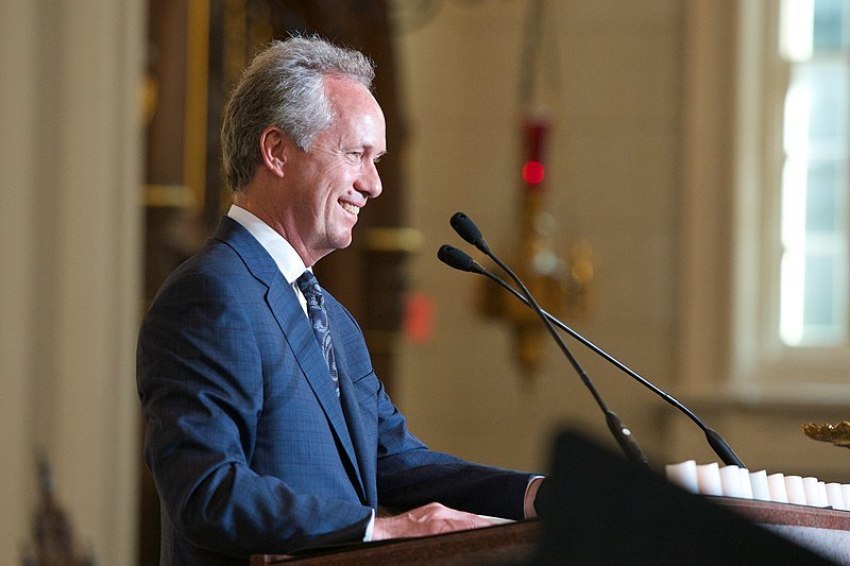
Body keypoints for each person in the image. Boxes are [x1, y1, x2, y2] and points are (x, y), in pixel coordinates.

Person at [137, 35, 543, 565]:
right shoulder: (209, 296)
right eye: (356, 154)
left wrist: (539, 497)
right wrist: (378, 530)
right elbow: (208, 493)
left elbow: (396, 462)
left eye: (377, 160)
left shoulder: (335, 320)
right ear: (276, 150)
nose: (372, 184)